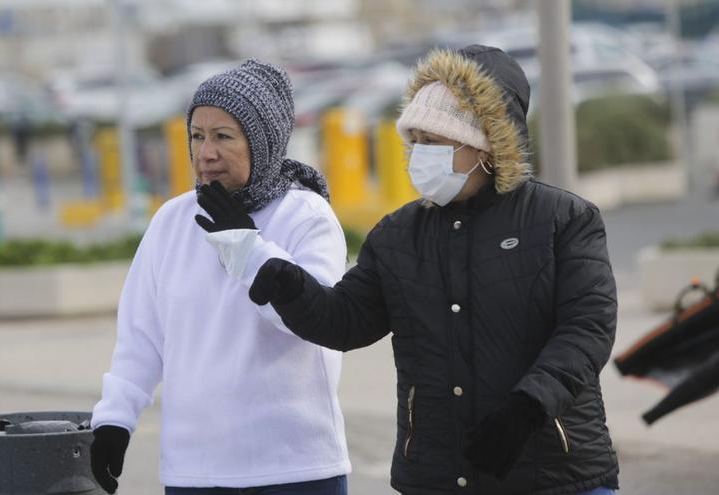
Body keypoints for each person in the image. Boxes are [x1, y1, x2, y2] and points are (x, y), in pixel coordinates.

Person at [247, 45, 620, 495]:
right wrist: (292, 287)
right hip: (438, 477)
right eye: (415, 141)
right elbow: (346, 321)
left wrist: (529, 406)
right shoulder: (397, 235)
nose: (418, 155)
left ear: (486, 143)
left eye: (435, 142)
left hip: (557, 476)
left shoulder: (564, 219)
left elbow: (588, 327)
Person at [89, 59, 351, 495]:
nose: (205, 153)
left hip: (294, 468)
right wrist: (115, 420)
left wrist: (248, 248)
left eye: (223, 137)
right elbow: (140, 337)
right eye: (197, 136)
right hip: (195, 470)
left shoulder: (306, 216)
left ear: (262, 142)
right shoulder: (172, 221)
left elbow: (312, 322)